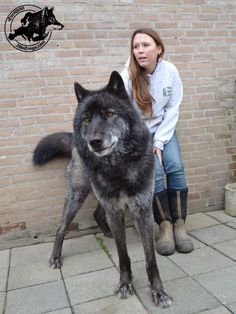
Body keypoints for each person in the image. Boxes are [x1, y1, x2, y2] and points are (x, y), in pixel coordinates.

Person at [120, 28, 193, 255]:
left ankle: (180, 224)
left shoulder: (170, 70)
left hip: (164, 129)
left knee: (175, 166)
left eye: (145, 45)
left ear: (159, 49)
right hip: (139, 134)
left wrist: (159, 142)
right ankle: (164, 226)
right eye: (136, 46)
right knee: (157, 175)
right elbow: (122, 113)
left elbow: (173, 107)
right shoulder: (127, 76)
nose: (140, 51)